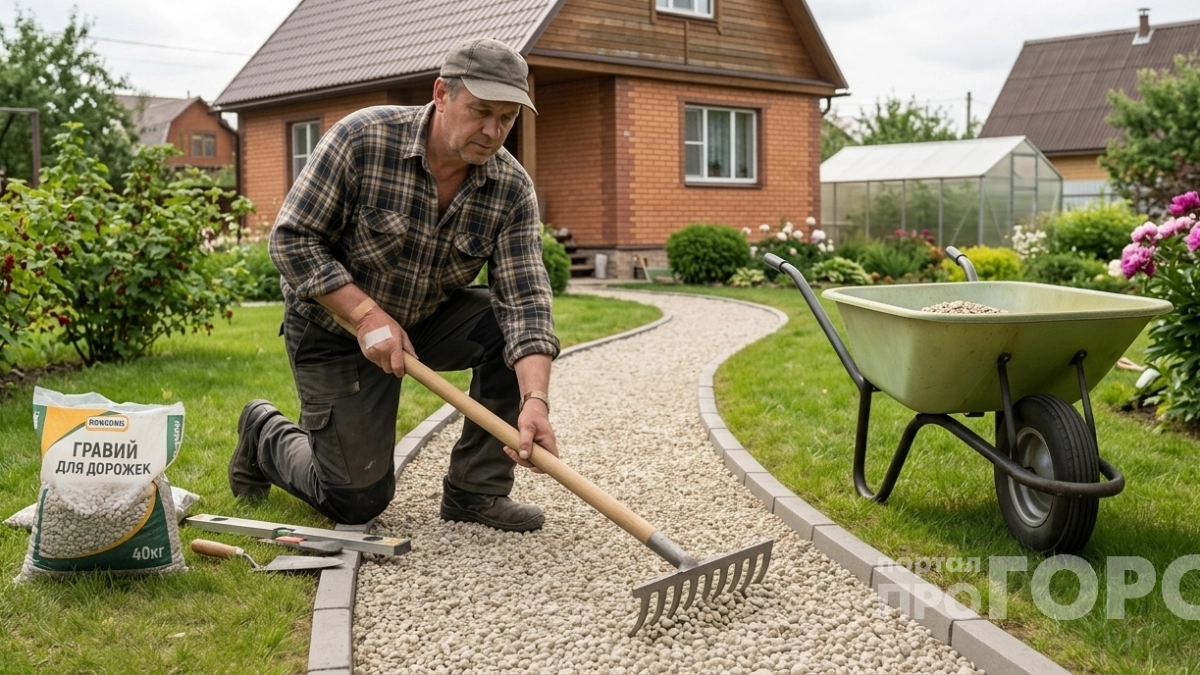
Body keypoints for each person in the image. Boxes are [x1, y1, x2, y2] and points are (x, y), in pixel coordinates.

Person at [228, 37, 560, 532]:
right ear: (442, 93)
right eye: (481, 111)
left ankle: (475, 490)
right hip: (334, 329)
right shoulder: (362, 139)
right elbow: (292, 241)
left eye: (507, 118)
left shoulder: (510, 188)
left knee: (505, 326)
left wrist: (535, 402)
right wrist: (364, 315)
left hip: (424, 321)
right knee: (355, 501)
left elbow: (527, 303)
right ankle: (264, 433)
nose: (493, 132)